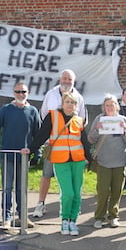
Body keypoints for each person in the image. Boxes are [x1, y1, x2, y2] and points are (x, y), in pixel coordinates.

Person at [24, 92, 90, 236]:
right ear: (62, 103)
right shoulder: (52, 116)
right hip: (60, 160)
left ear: (76, 106)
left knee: (77, 194)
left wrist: (90, 159)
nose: (70, 105)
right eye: (67, 102)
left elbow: (84, 141)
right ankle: (65, 219)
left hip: (77, 161)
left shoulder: (79, 120)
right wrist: (31, 149)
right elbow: (42, 135)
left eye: (73, 103)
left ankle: (73, 220)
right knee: (68, 193)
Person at [0, 82, 41, 229]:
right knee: (7, 188)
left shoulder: (32, 111)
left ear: (28, 93)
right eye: (18, 91)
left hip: (24, 156)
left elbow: (38, 134)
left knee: (22, 189)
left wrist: (37, 153)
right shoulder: (6, 110)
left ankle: (22, 217)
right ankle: (6, 218)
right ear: (13, 93)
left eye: (23, 92)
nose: (21, 94)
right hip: (7, 155)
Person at [33, 69, 86, 218]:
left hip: (72, 149)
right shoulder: (50, 94)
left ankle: (72, 209)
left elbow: (82, 120)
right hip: (53, 144)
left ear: (73, 81)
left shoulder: (79, 98)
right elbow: (44, 116)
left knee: (73, 182)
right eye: (64, 78)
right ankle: (40, 204)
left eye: (70, 79)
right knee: (46, 174)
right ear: (60, 79)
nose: (67, 81)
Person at [88, 95, 126, 229]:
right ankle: (99, 217)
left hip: (120, 161)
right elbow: (91, 139)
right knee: (102, 191)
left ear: (117, 106)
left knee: (116, 191)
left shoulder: (123, 119)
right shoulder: (99, 119)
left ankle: (113, 216)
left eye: (112, 104)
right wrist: (97, 129)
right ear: (104, 107)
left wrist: (124, 130)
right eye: (107, 105)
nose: (110, 107)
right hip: (103, 161)